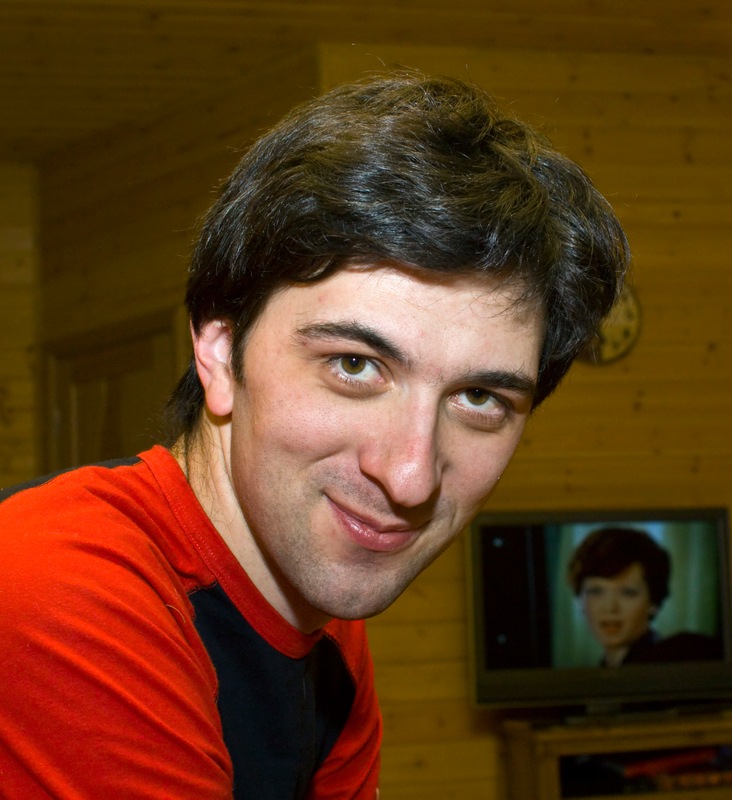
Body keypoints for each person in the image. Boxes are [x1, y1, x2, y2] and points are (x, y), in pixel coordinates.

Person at [0, 72, 629, 798]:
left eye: (479, 397)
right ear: (220, 354)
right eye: (355, 365)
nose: (410, 478)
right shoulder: (57, 589)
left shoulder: (319, 613)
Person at [567, 527, 721, 667]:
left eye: (627, 592)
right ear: (580, 601)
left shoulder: (678, 656)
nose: (610, 607)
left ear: (653, 603)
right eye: (596, 591)